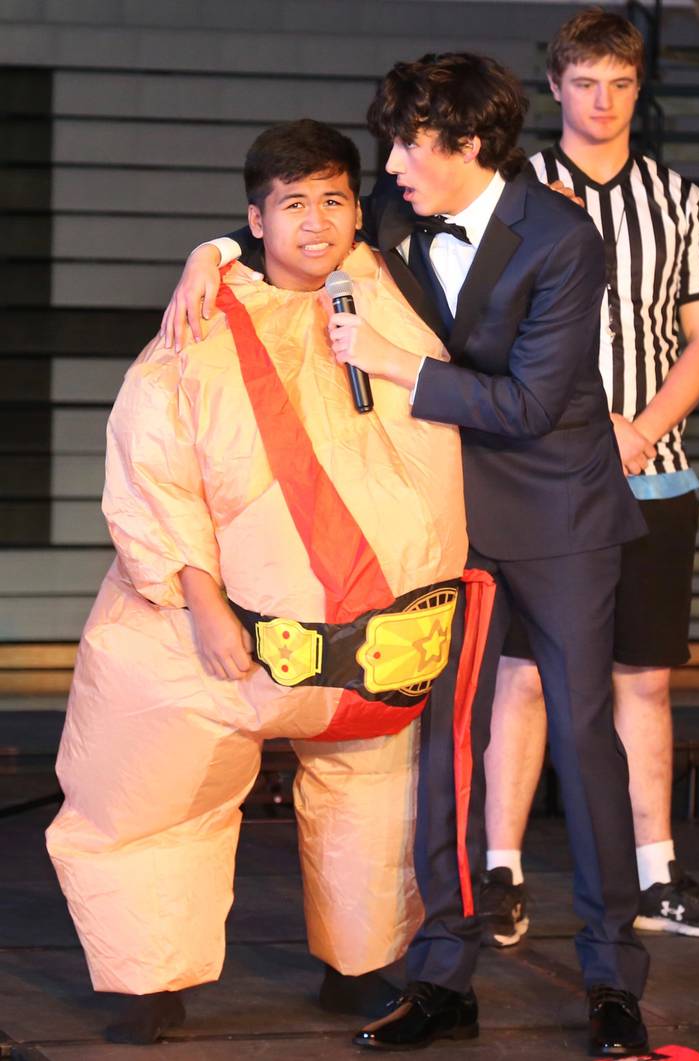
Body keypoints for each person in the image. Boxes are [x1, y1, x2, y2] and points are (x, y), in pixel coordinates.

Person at [45, 119, 498, 1046]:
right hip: (216, 639)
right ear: (256, 219)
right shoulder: (199, 328)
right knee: (151, 791)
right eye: (293, 205)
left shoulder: (385, 288)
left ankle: (360, 959)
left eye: (334, 201)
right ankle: (146, 978)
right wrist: (202, 601)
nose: (318, 222)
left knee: (373, 799)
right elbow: (150, 473)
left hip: (380, 645)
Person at [478, 8, 699, 956]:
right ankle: (501, 871)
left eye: (620, 83)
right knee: (522, 680)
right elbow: (482, 334)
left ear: (638, 89)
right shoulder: (512, 193)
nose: (602, 100)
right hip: (538, 477)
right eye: (585, 82)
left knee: (645, 680)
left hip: (652, 476)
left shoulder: (680, 200)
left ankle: (655, 873)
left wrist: (639, 432)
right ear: (556, 87)